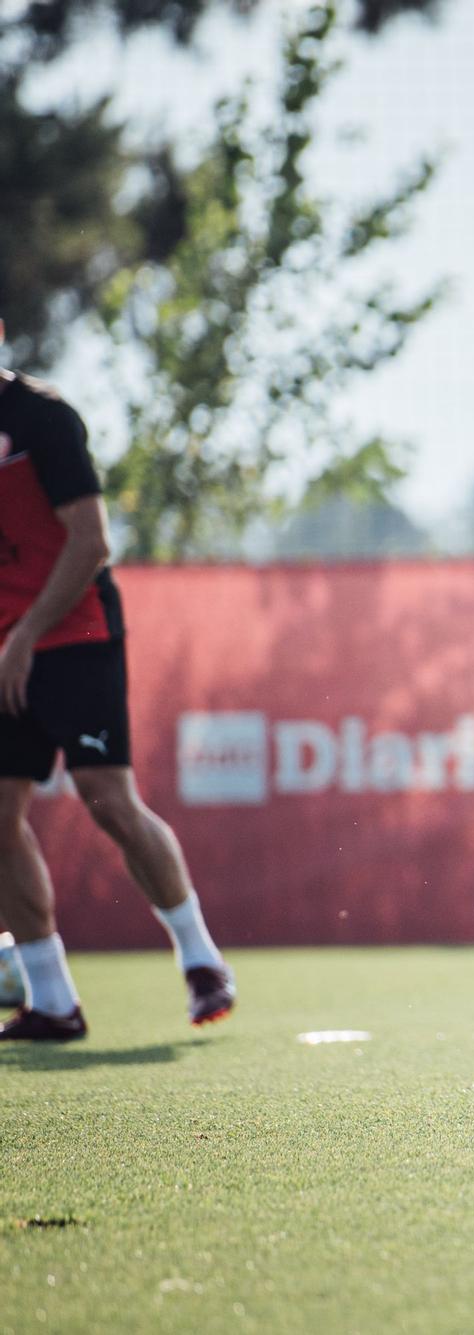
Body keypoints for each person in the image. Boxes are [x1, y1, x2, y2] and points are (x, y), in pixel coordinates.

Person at [0, 320, 235, 1042]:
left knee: (108, 800)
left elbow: (91, 540)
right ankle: (51, 1000)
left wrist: (27, 636)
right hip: (6, 648)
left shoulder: (43, 418)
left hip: (74, 635)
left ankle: (201, 959)